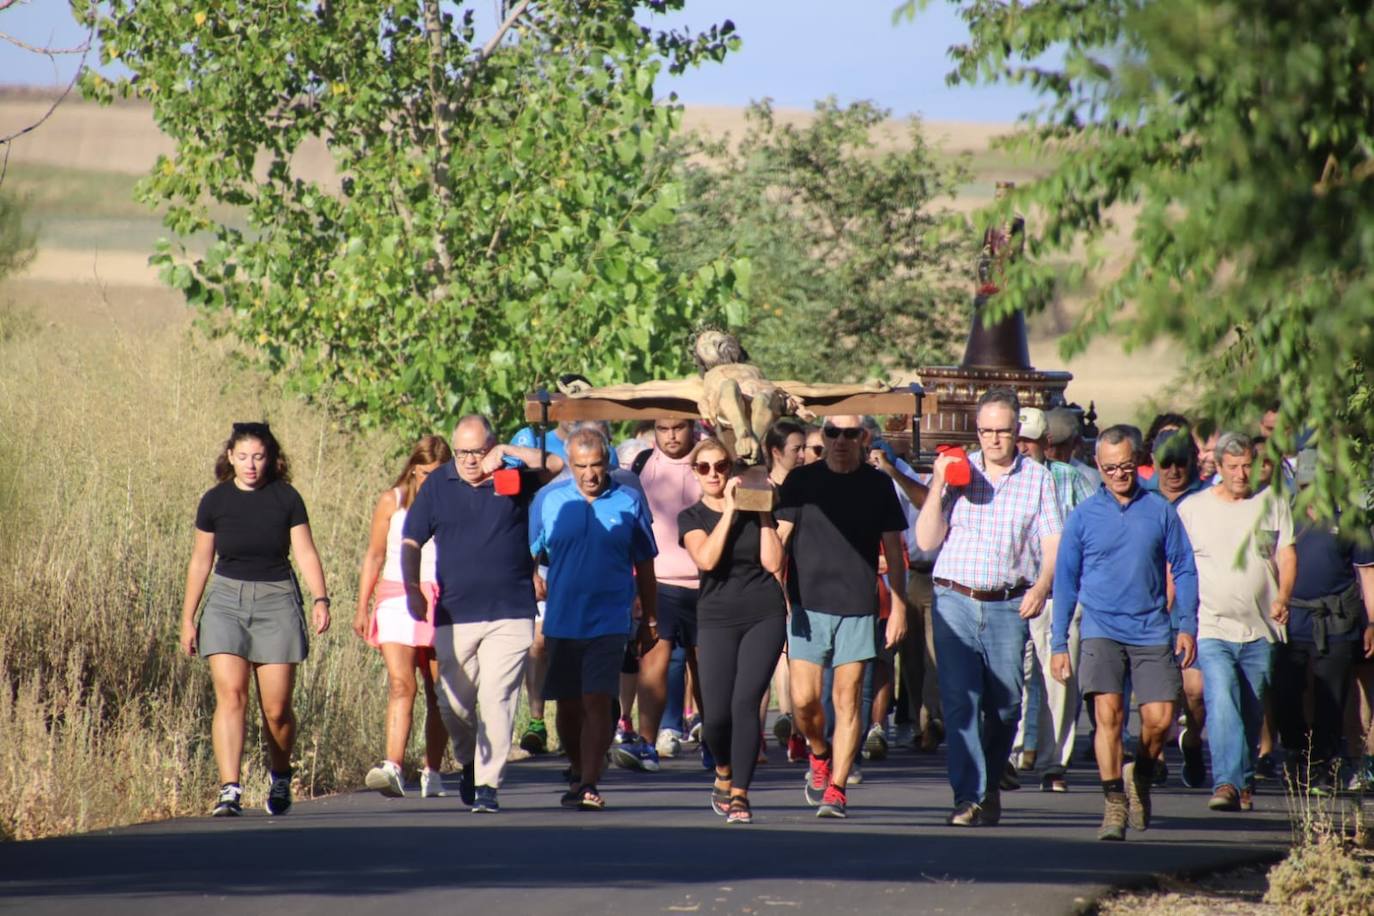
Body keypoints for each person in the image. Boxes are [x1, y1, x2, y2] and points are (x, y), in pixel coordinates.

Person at [916, 388, 1063, 827]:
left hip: (1007, 602)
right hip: (954, 598)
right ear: (976, 431)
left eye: (1003, 431)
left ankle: (992, 776)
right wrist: (939, 482)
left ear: (1017, 431)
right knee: (960, 702)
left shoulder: (1038, 479)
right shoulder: (961, 472)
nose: (994, 440)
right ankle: (968, 797)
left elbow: (1053, 542)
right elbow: (926, 541)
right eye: (986, 431)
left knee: (1005, 705)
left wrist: (1042, 585)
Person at [400, 415, 562, 813]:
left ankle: (488, 785)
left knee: (497, 697)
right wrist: (409, 588)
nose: (470, 460)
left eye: (477, 451)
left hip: (510, 611)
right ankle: (471, 760)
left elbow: (557, 464)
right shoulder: (438, 485)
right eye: (462, 452)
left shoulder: (513, 477)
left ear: (490, 446)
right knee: (450, 704)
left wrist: (507, 453)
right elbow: (410, 539)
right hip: (455, 615)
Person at [1051, 425, 1198, 840]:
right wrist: (1059, 643)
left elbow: (1184, 567)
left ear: (1139, 464)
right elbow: (1066, 581)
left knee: (1160, 719)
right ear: (1097, 466)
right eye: (1111, 467)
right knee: (1107, 716)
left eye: (1127, 467)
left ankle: (1142, 774)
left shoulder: (1159, 511)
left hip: (1151, 626)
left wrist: (1186, 623)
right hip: (1101, 626)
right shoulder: (1083, 517)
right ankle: (1114, 801)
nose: (1119, 474)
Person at [180, 422, 330, 817]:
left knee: (276, 710)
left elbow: (305, 552)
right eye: (243, 457)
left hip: (276, 599)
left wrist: (320, 597)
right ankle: (230, 788)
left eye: (258, 457)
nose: (250, 465)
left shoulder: (286, 498)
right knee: (231, 695)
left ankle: (280, 774)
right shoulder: (214, 501)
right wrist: (188, 617)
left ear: (271, 458)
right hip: (226, 599)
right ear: (230, 457)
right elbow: (200, 561)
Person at [776, 414, 908, 819]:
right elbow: (779, 542)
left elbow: (893, 550)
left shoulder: (878, 484)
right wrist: (775, 596)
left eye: (850, 434)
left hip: (857, 606)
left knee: (847, 699)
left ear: (863, 438)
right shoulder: (801, 482)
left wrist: (899, 605)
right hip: (806, 604)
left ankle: (836, 787)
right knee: (804, 702)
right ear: (823, 436)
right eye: (832, 433)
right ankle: (819, 751)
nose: (841, 441)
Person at [532, 427, 658, 810]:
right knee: (568, 707)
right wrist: (531, 578)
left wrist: (650, 617)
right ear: (569, 466)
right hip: (562, 620)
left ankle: (588, 782)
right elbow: (530, 552)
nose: (590, 474)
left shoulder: (629, 501)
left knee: (597, 699)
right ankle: (578, 766)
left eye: (597, 465)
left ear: (609, 463)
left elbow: (645, 563)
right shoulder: (550, 501)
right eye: (581, 466)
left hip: (610, 619)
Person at [1177, 431, 1296, 812]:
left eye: (1247, 466)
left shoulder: (1272, 502)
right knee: (1221, 698)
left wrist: (1283, 596)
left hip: (1261, 629)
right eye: (1233, 467)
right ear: (1219, 467)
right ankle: (1227, 782)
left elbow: (1287, 554)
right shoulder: (1193, 509)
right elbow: (1177, 568)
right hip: (1212, 624)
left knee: (1251, 707)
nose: (1241, 474)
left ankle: (1242, 781)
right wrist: (1178, 619)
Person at [680, 439, 788, 823]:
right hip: (716, 617)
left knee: (746, 703)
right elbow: (707, 558)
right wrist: (729, 510)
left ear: (732, 469)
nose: (714, 474)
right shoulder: (691, 516)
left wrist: (761, 512)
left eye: (721, 466)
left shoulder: (756, 506)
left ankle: (741, 794)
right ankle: (723, 771)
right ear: (694, 473)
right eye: (704, 468)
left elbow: (774, 562)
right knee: (715, 717)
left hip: (764, 612)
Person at [354, 435, 453, 799]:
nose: (431, 480)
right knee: (401, 684)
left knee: (438, 690)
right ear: (413, 469)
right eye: (425, 473)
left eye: (439, 473)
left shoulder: (453, 501)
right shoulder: (391, 501)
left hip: (440, 597)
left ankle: (433, 768)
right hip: (397, 595)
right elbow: (375, 555)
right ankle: (393, 765)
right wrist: (362, 605)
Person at [1274, 452, 1374, 792]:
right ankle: (1295, 754)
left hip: (1337, 620)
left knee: (1332, 698)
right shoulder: (1283, 516)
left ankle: (1321, 767)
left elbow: (1366, 575)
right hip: (1292, 619)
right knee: (1288, 694)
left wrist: (1372, 621)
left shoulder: (1351, 520)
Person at [1012, 406, 1094, 792]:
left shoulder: (1069, 478)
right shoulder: (1003, 478)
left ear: (1046, 443)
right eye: (1018, 441)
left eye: (1028, 442)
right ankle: (1010, 753)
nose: (1021, 448)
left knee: (1058, 676)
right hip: (1012, 589)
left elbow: (1092, 532)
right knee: (1010, 676)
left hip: (1059, 592)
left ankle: (1052, 764)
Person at [614, 418, 702, 773]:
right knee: (653, 665)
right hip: (658, 581)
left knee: (706, 669)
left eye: (678, 428)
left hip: (706, 582)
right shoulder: (641, 464)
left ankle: (713, 744)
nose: (671, 435)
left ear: (692, 428)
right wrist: (634, 583)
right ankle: (647, 745)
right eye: (663, 428)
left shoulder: (710, 459)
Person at [1141, 427, 1208, 788]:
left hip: (1193, 609)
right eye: (1165, 463)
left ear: (1193, 461)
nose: (1173, 471)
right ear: (1153, 463)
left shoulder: (1207, 498)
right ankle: (1156, 758)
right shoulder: (1140, 498)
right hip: (1150, 612)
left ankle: (1194, 740)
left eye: (1180, 462)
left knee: (1195, 691)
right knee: (1158, 695)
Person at [764, 418, 809, 763]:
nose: (804, 455)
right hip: (765, 580)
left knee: (795, 659)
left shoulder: (805, 487)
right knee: (762, 661)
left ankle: (797, 730)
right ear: (776, 452)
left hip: (799, 579)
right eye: (797, 449)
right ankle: (756, 737)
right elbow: (774, 542)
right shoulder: (760, 488)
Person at [1046, 406, 1099, 493]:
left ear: (1075, 443)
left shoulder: (1088, 477)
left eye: (1062, 445)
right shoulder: (1034, 474)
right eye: (1050, 446)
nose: (1054, 454)